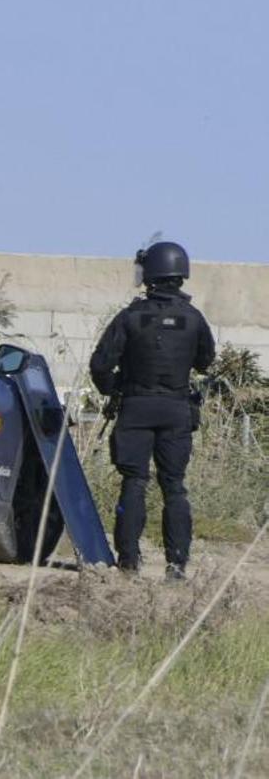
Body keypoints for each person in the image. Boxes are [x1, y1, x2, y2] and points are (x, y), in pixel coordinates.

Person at [89, 241, 215, 580]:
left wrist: (114, 389)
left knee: (134, 482)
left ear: (152, 274)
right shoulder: (193, 318)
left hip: (135, 408)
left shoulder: (131, 316)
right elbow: (205, 362)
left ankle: (129, 562)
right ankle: (176, 566)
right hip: (176, 410)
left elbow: (100, 365)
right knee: (174, 486)